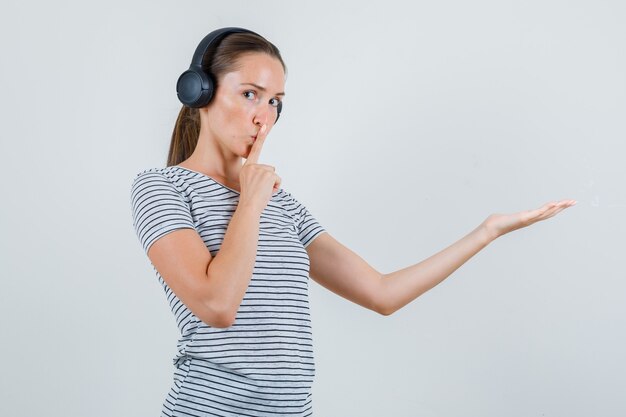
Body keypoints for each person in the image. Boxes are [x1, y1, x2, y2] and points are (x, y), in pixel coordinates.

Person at [130, 27, 576, 417]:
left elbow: (382, 294)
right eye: (249, 94)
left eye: (276, 102)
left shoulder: (282, 206)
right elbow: (217, 305)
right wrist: (249, 203)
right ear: (199, 92)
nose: (263, 116)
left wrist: (487, 232)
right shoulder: (162, 188)